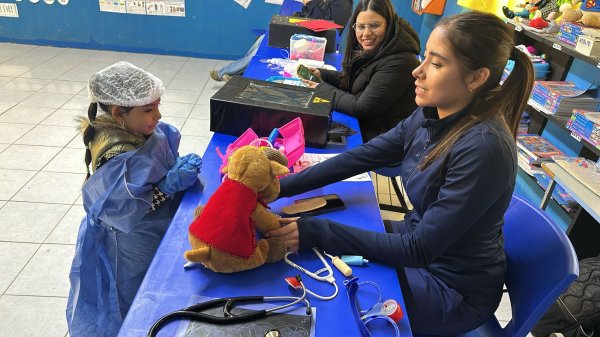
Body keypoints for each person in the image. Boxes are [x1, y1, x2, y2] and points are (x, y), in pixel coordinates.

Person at [266, 11, 534, 335]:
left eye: (436, 64)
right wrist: (279, 188)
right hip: (418, 251)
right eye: (426, 59)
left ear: (476, 78)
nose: (416, 71)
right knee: (320, 249)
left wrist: (318, 232)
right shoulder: (430, 113)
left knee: (326, 297)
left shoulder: (484, 148)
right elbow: (363, 157)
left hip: (450, 290)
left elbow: (419, 249)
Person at [66, 61, 203, 337]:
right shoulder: (114, 152)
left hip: (148, 229)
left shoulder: (137, 130)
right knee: (133, 296)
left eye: (158, 106)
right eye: (149, 110)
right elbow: (127, 208)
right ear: (119, 114)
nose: (158, 115)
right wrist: (169, 183)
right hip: (128, 241)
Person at [302, 0, 420, 141]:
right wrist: (322, 74)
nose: (366, 33)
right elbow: (357, 81)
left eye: (374, 25)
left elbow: (362, 107)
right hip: (367, 128)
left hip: (382, 140)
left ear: (389, 23)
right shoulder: (378, 47)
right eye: (361, 26)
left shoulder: (401, 61)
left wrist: (320, 89)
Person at [209, 0, 353, 82]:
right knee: (263, 38)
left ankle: (228, 73)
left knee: (265, 42)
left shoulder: (342, 2)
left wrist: (310, 3)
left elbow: (330, 26)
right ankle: (236, 72)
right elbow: (306, 15)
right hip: (305, 33)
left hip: (316, 42)